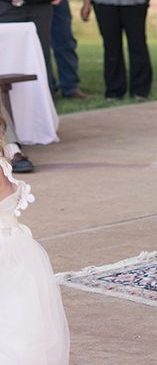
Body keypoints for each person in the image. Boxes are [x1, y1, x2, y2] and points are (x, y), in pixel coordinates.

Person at [0, 0, 70, 174]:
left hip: (39, 6)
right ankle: (13, 143)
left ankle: (33, 124)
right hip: (8, 9)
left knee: (39, 59)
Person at [0, 114, 70, 363]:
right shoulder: (4, 162)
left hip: (6, 253)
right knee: (20, 322)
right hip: (17, 250)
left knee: (14, 327)